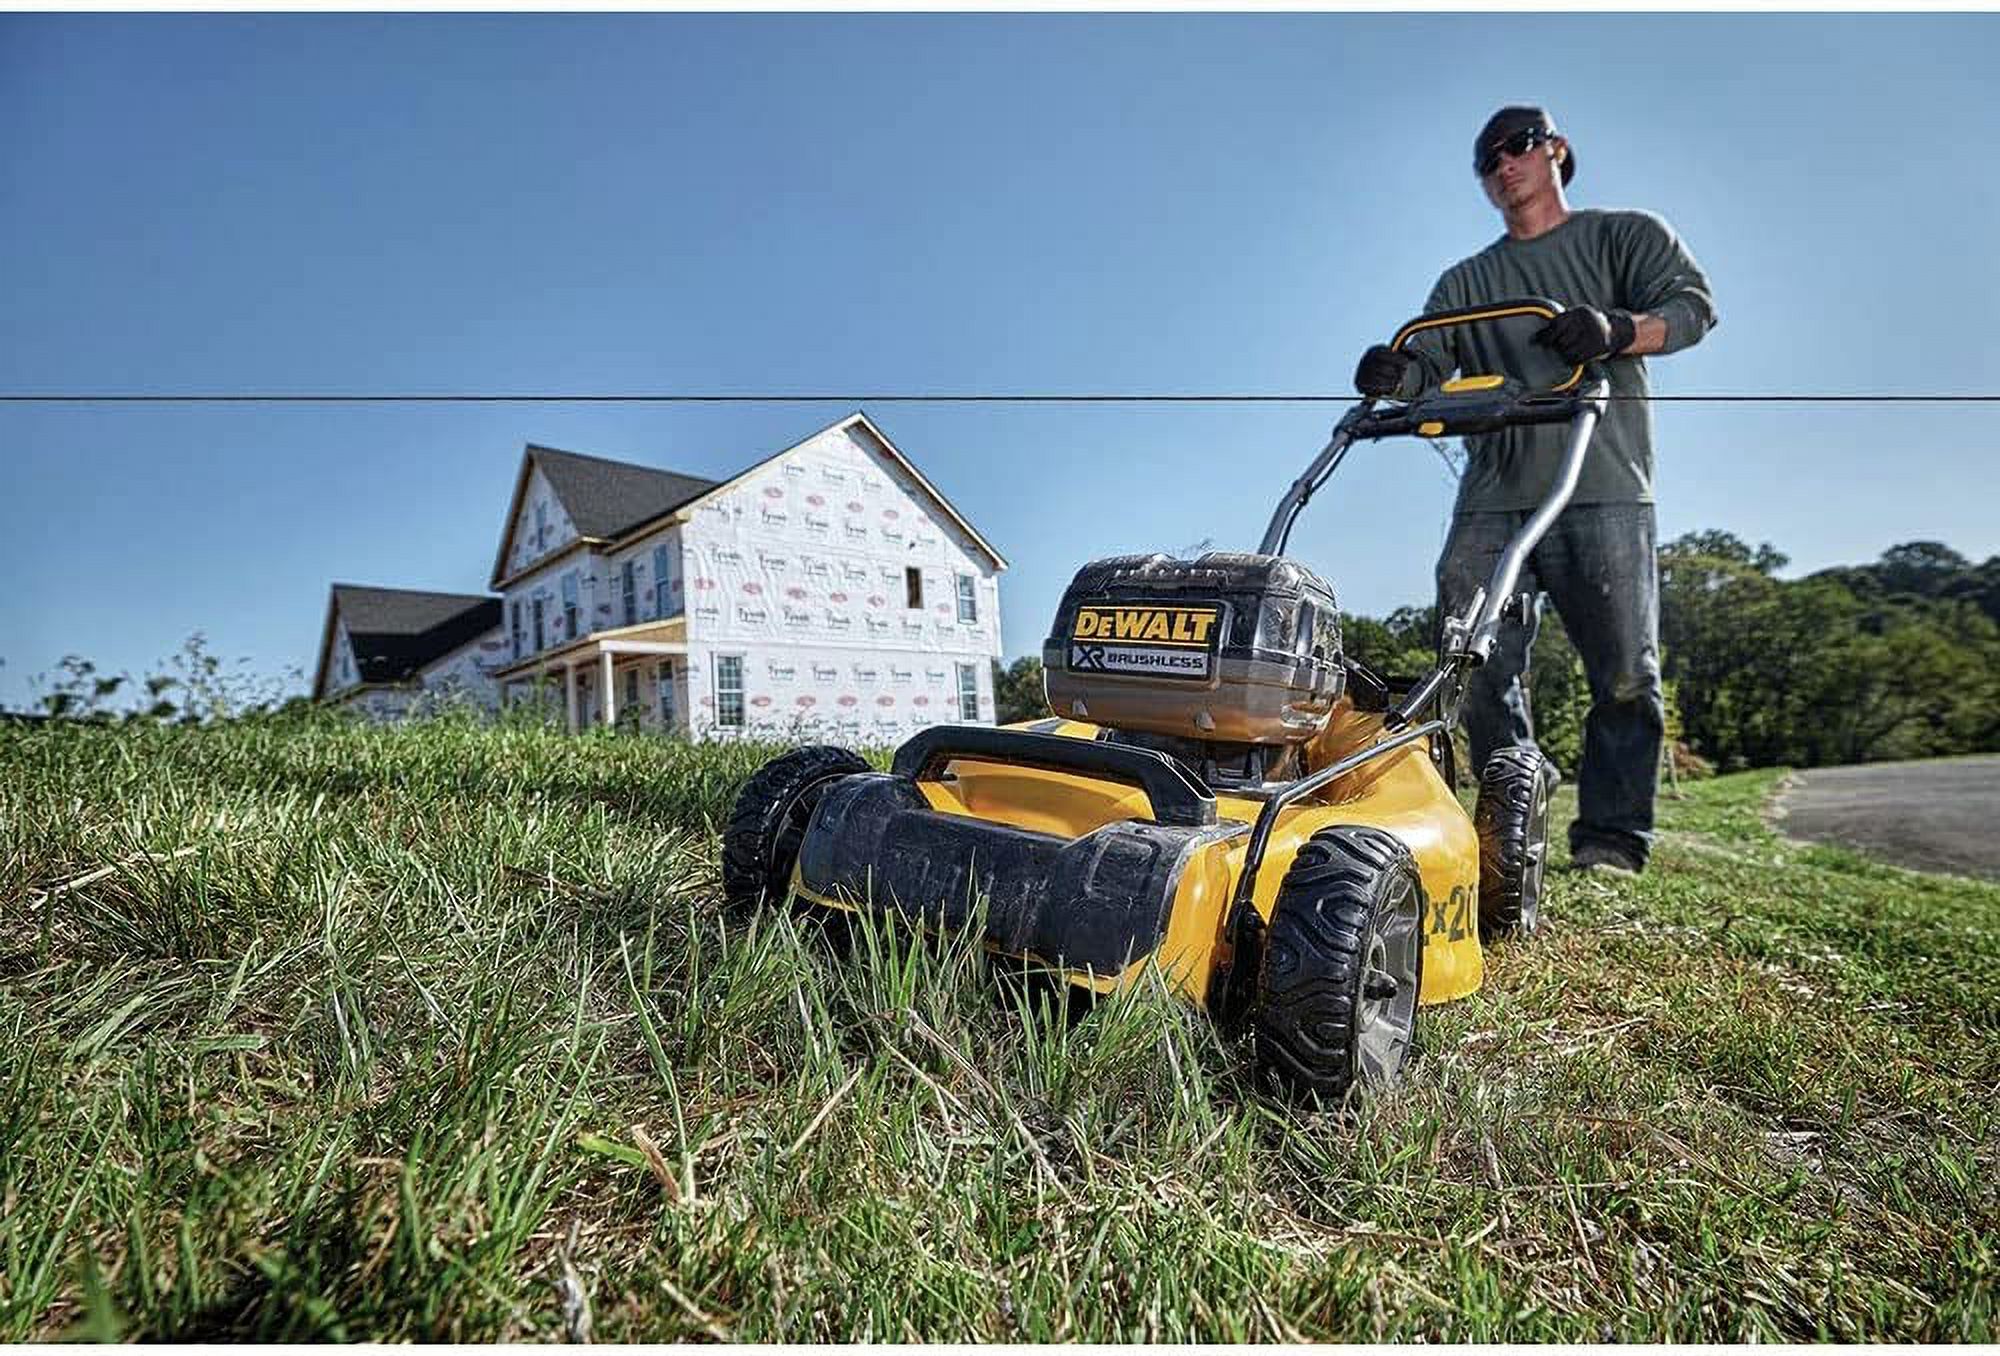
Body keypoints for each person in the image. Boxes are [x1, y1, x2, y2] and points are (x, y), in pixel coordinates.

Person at [1353, 106, 1717, 876]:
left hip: (1605, 481)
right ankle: (1511, 819)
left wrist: (1616, 331)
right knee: (1470, 654)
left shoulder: (1622, 235)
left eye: (1517, 147)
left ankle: (1612, 839)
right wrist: (1393, 374)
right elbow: (1426, 363)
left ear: (1555, 150)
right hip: (1496, 493)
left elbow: (1693, 308)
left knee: (1625, 669)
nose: (1503, 165)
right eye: (1487, 160)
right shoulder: (1466, 281)